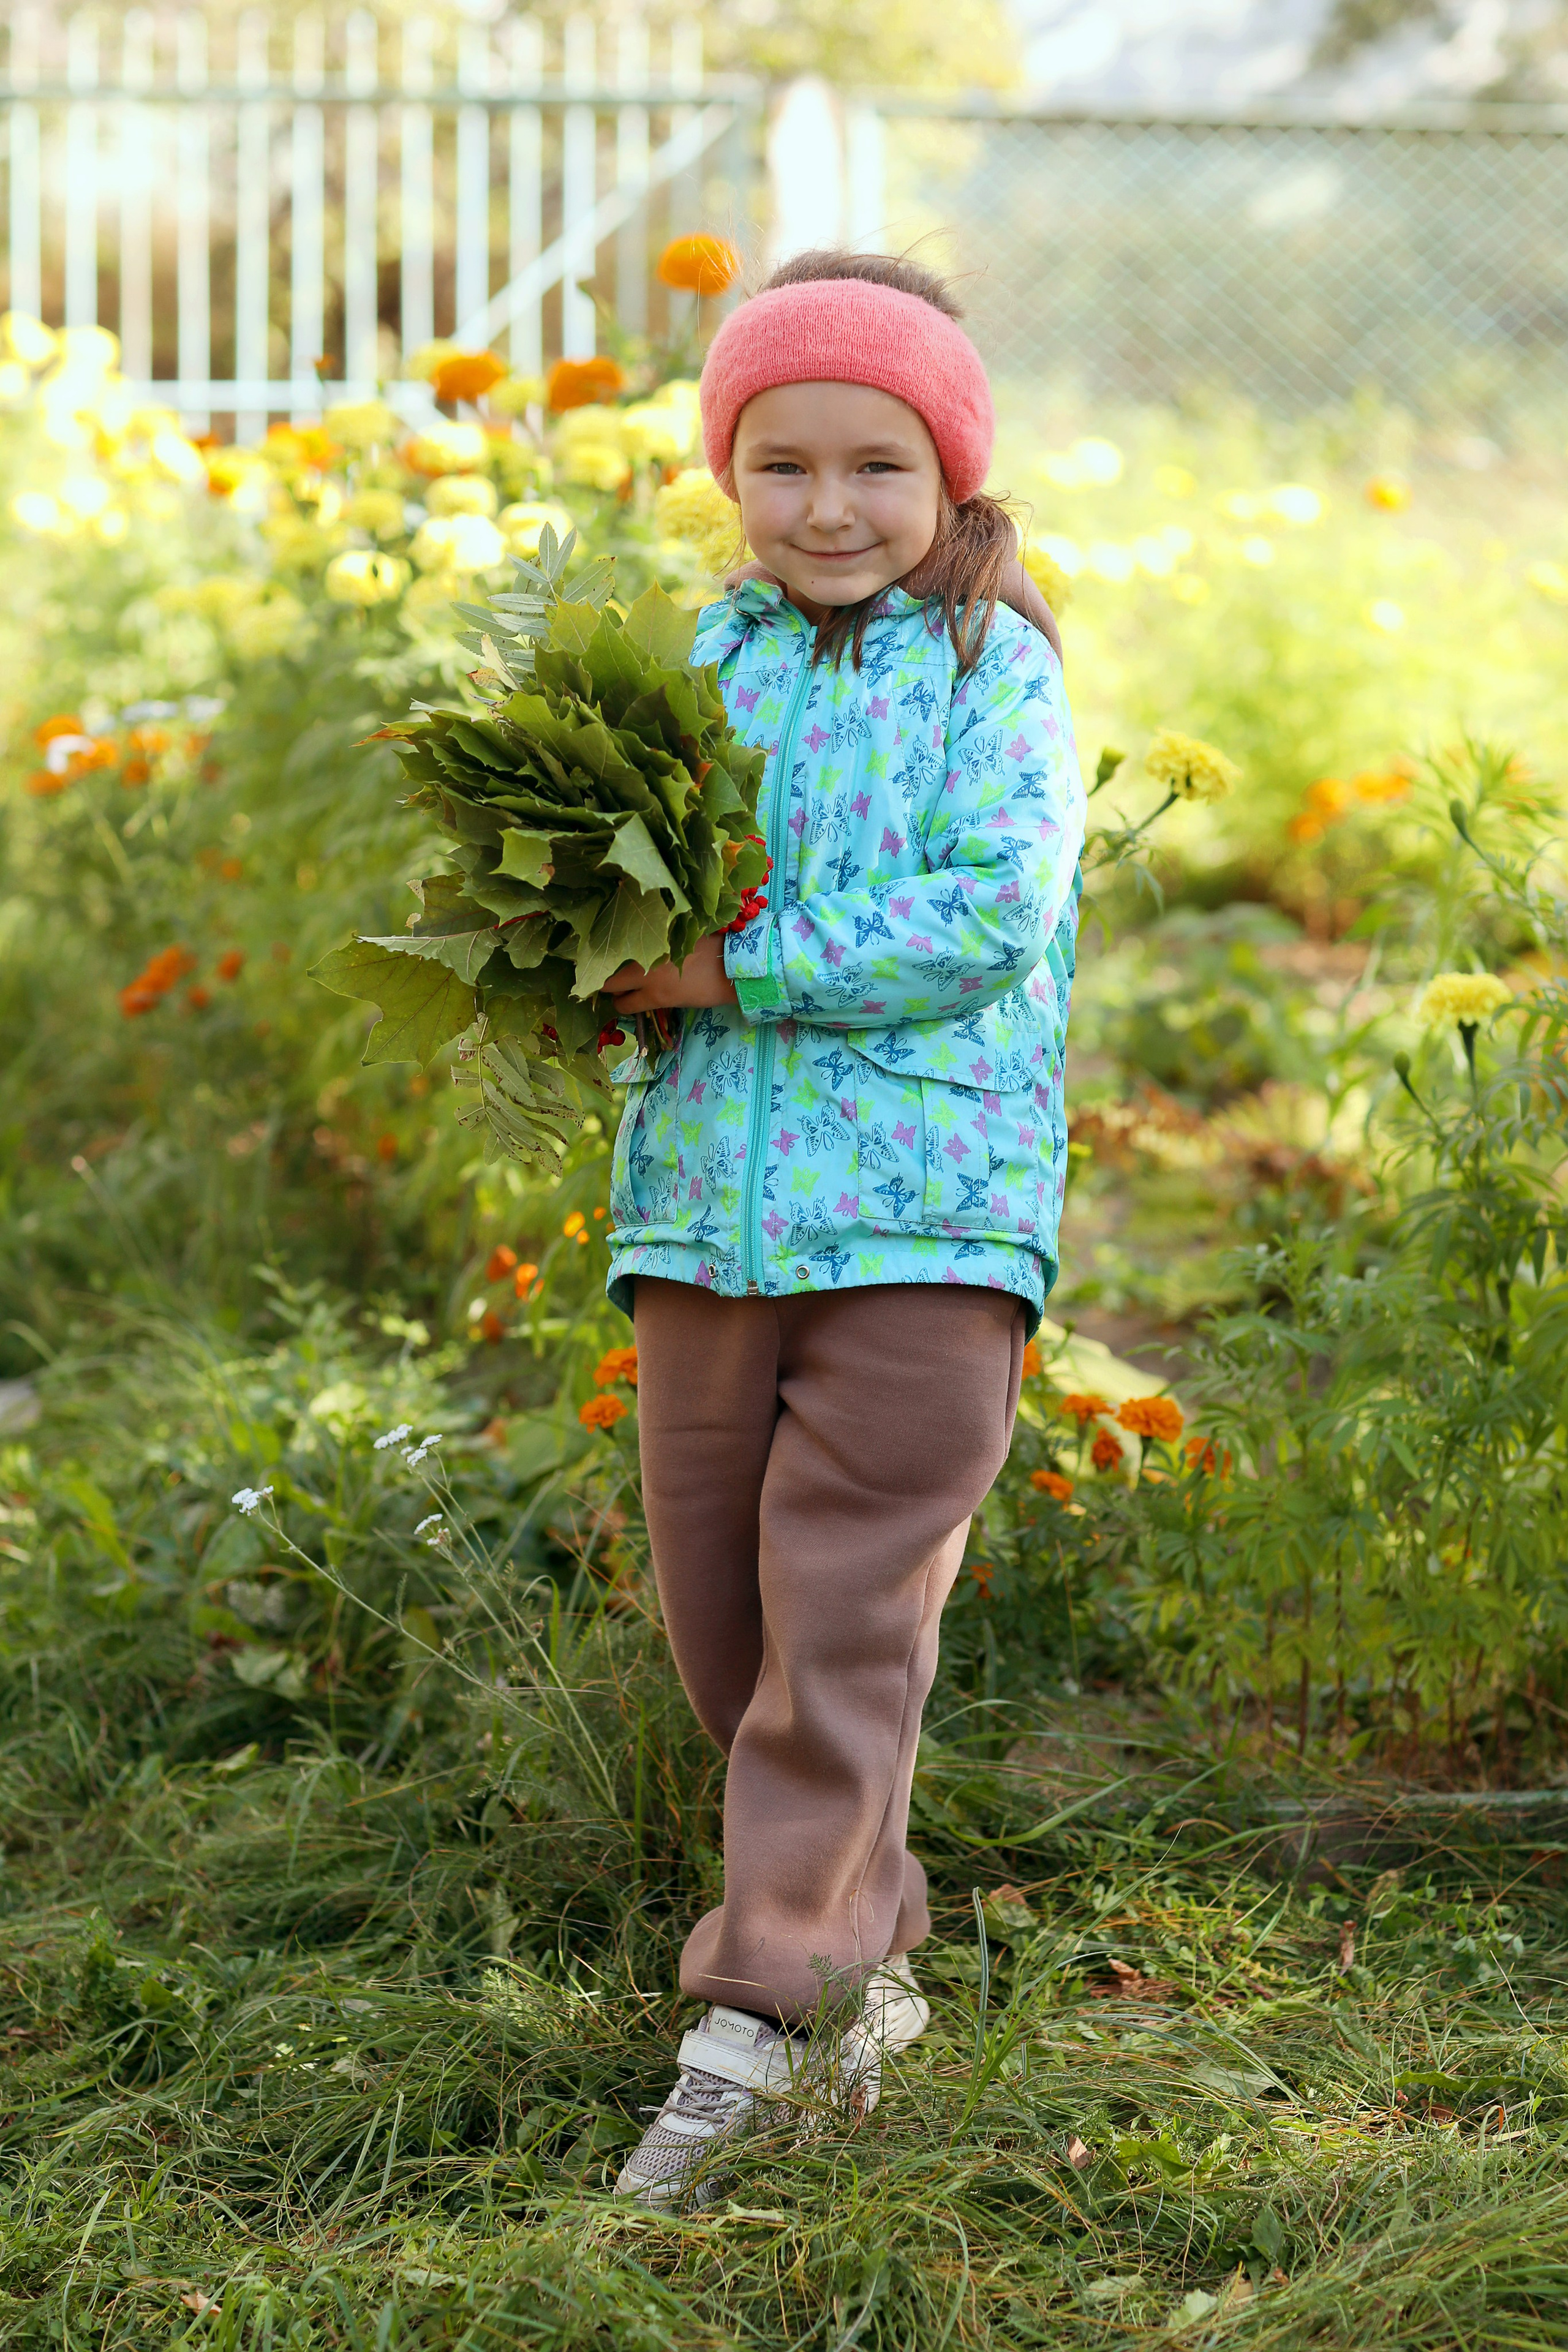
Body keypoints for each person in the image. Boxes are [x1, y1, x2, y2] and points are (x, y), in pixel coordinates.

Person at [598, 249, 1087, 2208]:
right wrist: (578, 958)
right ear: (729, 473)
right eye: (780, 463)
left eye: (874, 465)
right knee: (730, 1619)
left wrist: (728, 972)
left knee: (849, 1614)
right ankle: (857, 1956)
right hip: (703, 1222)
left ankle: (763, 2023)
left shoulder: (994, 672)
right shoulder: (692, 671)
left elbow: (988, 914)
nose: (825, 508)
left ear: (950, 473)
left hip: (924, 1219)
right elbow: (628, 903)